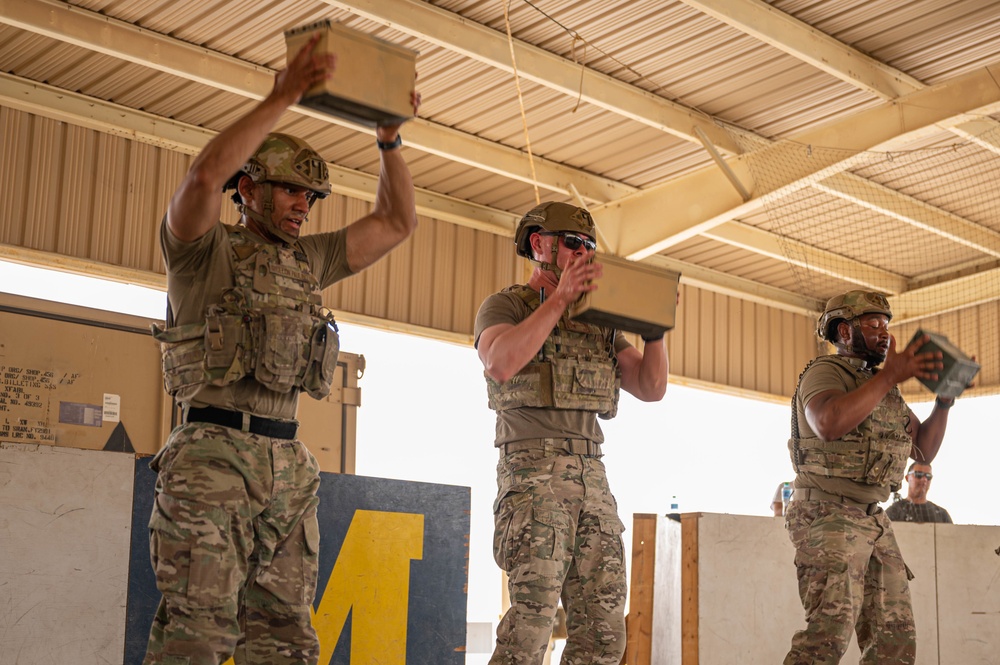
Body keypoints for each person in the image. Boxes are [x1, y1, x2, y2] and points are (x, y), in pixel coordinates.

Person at [143, 33, 419, 665]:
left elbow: (396, 222)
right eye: (293, 190)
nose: (305, 206)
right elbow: (203, 175)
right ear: (250, 187)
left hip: (289, 468)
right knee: (198, 637)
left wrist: (390, 140)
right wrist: (284, 93)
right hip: (212, 459)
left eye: (312, 197)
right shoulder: (200, 251)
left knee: (288, 641)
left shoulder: (308, 260)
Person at [474, 201, 669, 665]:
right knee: (531, 626)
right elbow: (500, 361)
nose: (582, 253)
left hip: (592, 476)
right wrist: (558, 299)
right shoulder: (506, 305)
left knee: (605, 636)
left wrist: (656, 331)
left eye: (589, 247)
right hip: (532, 474)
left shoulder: (598, 322)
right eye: (572, 244)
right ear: (539, 245)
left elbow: (651, 387)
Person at [783, 290, 959, 664]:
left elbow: (923, 446)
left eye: (887, 325)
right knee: (825, 638)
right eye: (874, 324)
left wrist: (944, 401)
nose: (884, 333)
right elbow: (827, 423)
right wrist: (889, 376)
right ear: (844, 332)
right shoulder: (826, 372)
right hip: (827, 514)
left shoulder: (884, 388)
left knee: (894, 640)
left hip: (873, 520)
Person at [886, 462, 953, 523]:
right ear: (907, 478)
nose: (924, 479)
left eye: (928, 476)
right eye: (918, 474)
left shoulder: (941, 515)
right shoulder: (893, 512)